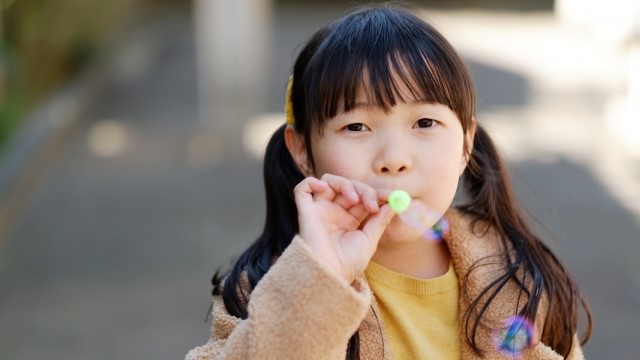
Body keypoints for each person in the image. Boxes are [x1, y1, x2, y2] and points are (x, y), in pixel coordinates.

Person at [185, 4, 592, 359]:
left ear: (466, 143)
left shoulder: (520, 276)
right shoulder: (263, 288)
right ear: (302, 151)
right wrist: (318, 280)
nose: (394, 160)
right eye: (357, 126)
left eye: (425, 122)